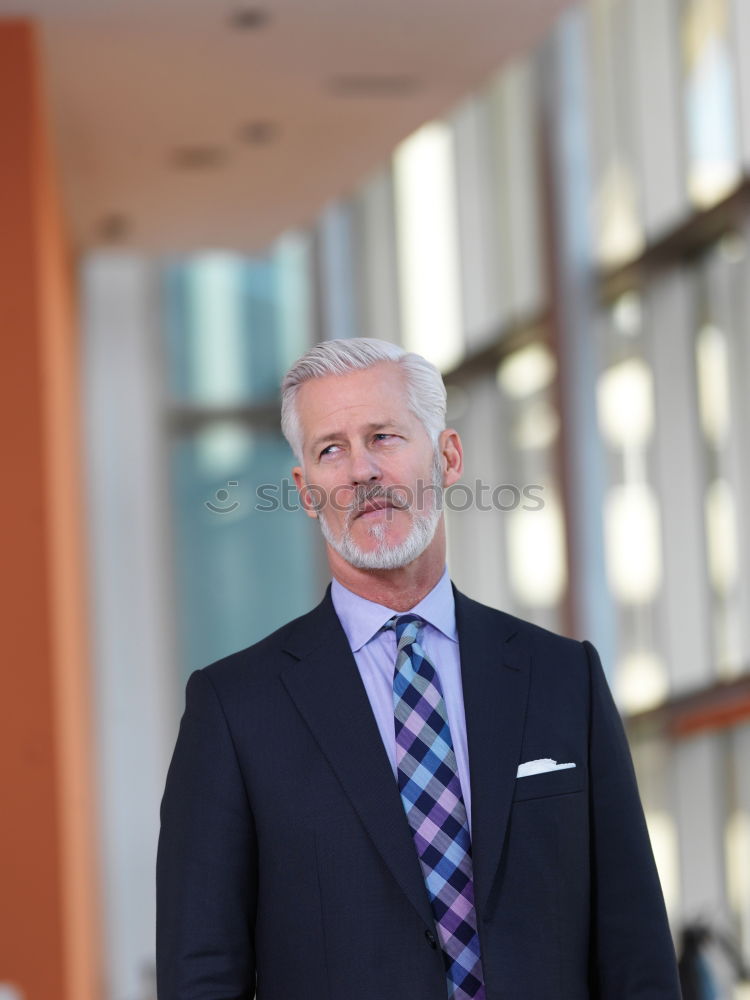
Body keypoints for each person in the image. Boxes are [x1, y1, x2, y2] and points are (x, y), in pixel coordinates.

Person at [156, 338, 681, 1000]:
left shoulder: (563, 679)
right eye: (330, 450)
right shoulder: (234, 710)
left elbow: (636, 950)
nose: (360, 470)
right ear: (307, 492)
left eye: (384, 436)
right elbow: (201, 972)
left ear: (448, 456)